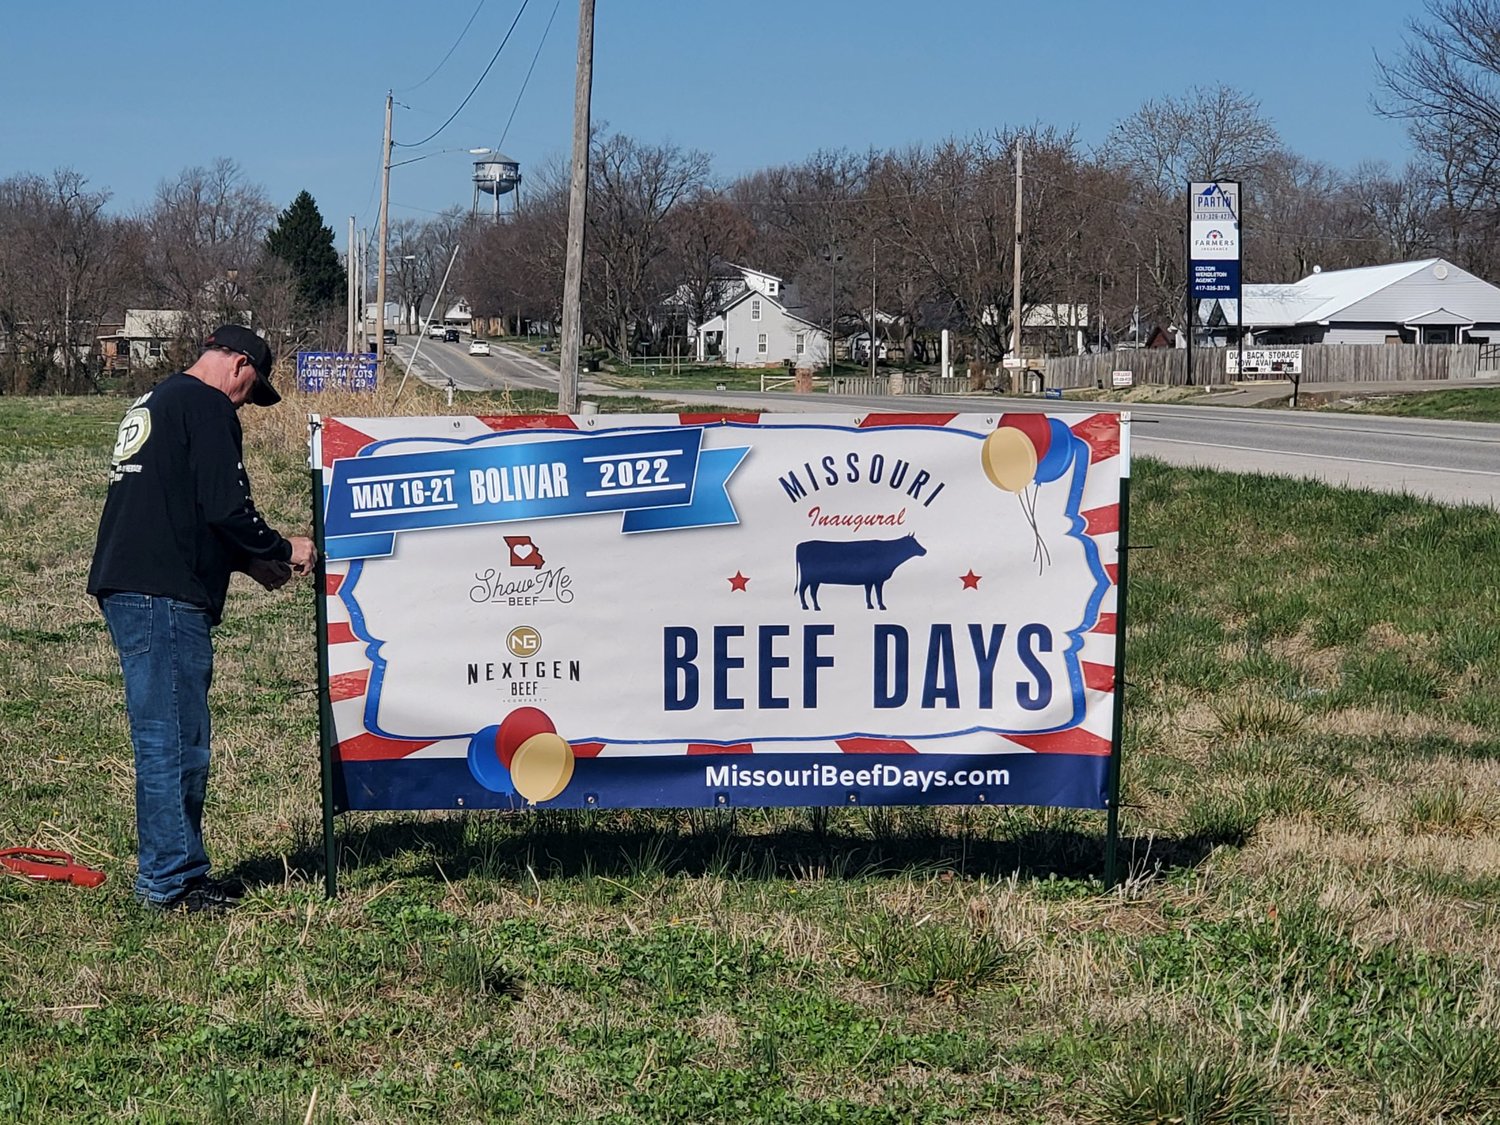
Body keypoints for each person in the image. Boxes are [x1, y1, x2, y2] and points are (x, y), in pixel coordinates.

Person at [88, 325, 317, 913]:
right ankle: (169, 883)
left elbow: (182, 507)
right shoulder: (209, 405)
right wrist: (280, 548)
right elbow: (225, 505)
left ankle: (181, 870)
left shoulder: (161, 399)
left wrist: (246, 563)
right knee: (172, 741)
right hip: (161, 593)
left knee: (178, 736)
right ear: (239, 364)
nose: (246, 400)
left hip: (134, 582)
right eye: (251, 388)